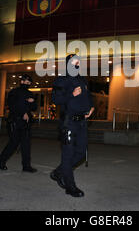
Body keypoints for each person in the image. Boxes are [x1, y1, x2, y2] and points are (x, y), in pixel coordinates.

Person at [50, 54, 95, 198]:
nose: (77, 64)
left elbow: (89, 97)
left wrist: (92, 107)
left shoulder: (82, 79)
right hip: (68, 122)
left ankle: (58, 172)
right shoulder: (61, 80)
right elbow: (55, 99)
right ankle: (70, 187)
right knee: (68, 155)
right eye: (74, 62)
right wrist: (72, 94)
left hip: (82, 122)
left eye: (78, 62)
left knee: (81, 153)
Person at [0, 74, 38, 173]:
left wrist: (32, 102)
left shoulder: (30, 93)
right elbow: (12, 105)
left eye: (29, 83)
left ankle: (26, 166)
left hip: (26, 123)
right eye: (26, 82)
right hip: (15, 121)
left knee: (26, 144)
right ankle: (1, 161)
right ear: (22, 81)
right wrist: (23, 112)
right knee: (13, 143)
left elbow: (34, 108)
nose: (27, 84)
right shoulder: (14, 92)